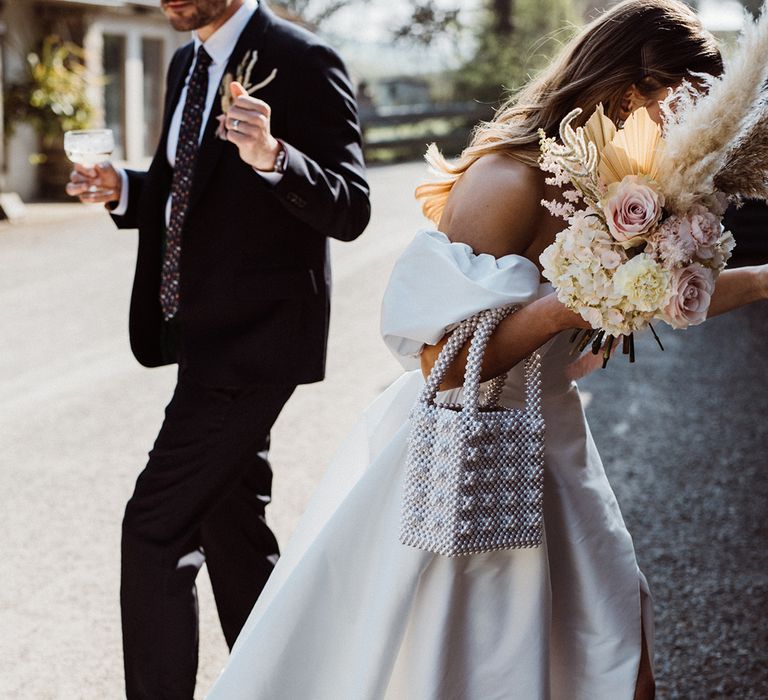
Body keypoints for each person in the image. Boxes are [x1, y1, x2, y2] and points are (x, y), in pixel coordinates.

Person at [205, 1, 768, 698]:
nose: (689, 131)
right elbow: (440, 364)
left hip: (557, 446)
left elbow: (676, 290)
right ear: (630, 91)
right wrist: (572, 304)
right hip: (472, 451)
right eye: (679, 107)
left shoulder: (624, 184)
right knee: (470, 664)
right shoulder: (509, 179)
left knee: (618, 653)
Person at [66, 0, 370, 697]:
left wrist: (273, 156)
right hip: (201, 338)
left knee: (153, 529)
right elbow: (186, 198)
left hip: (257, 343)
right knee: (232, 532)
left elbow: (351, 207)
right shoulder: (187, 62)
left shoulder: (303, 60)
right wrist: (123, 191)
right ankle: (285, 686)